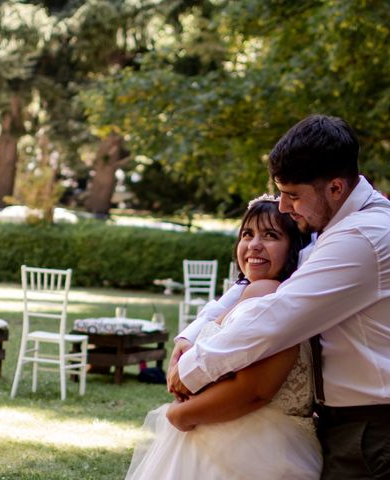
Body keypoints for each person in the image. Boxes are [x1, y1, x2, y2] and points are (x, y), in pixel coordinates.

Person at [169, 114, 390, 479]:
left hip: (372, 428)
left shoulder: (362, 237)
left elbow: (278, 314)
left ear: (336, 188)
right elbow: (249, 287)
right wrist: (191, 334)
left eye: (292, 196)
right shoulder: (332, 228)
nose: (284, 207)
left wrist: (191, 372)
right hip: (343, 424)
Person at [126, 196, 319, 479]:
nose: (254, 244)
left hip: (252, 445)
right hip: (230, 436)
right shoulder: (250, 291)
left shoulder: (270, 294)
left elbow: (253, 390)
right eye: (247, 234)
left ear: (294, 247)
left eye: (271, 235)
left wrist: (180, 414)